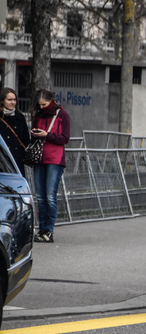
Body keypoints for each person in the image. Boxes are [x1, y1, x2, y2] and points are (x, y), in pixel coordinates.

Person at [31, 89, 71, 243]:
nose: (41, 107)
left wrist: (46, 135)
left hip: (55, 159)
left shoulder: (62, 115)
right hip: (40, 158)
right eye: (39, 104)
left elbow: (65, 138)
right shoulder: (39, 115)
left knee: (50, 196)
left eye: (44, 104)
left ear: (52, 101)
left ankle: (49, 231)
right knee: (40, 197)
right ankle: (42, 230)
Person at [0, 87, 31, 176]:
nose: (13, 102)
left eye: (14, 99)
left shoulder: (20, 117)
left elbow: (25, 139)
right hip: (2, 161)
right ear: (2, 101)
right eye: (9, 100)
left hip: (17, 161)